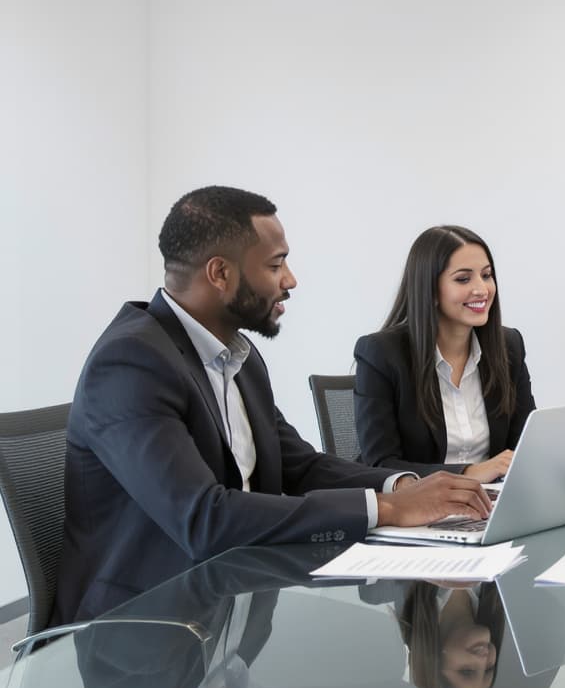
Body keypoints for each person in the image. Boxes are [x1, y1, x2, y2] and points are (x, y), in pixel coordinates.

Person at [52, 187, 491, 626]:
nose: (290, 280)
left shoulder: (237, 357)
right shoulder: (132, 363)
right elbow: (204, 518)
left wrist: (403, 486)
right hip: (143, 635)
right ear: (220, 273)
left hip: (234, 620)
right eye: (275, 264)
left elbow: (299, 466)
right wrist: (387, 508)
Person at [353, 225, 535, 481]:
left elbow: (525, 447)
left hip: (490, 505)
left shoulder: (509, 346)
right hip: (417, 509)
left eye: (486, 275)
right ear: (430, 288)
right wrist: (469, 473)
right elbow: (380, 464)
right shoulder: (382, 354)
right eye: (463, 279)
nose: (482, 289)